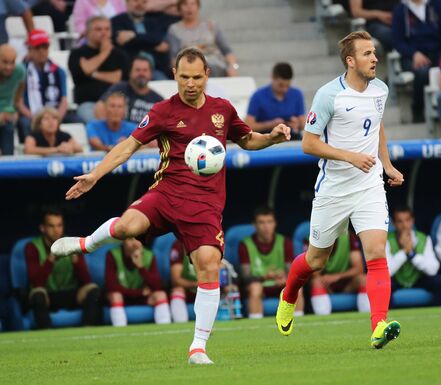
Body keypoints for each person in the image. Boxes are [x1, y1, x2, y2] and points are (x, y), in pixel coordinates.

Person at [51, 48, 291, 364]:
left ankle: (198, 348)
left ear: (207, 75)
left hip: (205, 204)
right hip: (166, 193)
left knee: (209, 263)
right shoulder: (164, 111)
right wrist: (96, 174)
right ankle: (85, 244)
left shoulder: (223, 110)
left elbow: (247, 140)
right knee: (126, 227)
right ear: (174, 74)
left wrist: (272, 138)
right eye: (183, 77)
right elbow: (128, 146)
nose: (190, 84)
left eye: (196, 77)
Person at [275, 31, 404, 350]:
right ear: (350, 60)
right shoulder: (329, 95)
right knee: (316, 260)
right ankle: (289, 294)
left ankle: (378, 326)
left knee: (376, 253)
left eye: (375, 53)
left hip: (369, 184)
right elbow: (307, 143)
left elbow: (377, 125)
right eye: (367, 54)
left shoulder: (381, 89)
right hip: (334, 189)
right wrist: (350, 156)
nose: (375, 58)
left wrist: (386, 166)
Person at [24, 207, 101, 329]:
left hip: (71, 293)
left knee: (93, 289)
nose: (56, 230)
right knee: (37, 294)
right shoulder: (32, 247)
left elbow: (86, 281)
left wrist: (76, 261)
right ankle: (46, 334)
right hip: (48, 295)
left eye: (59, 225)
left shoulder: (72, 243)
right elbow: (36, 283)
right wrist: (50, 260)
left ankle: (88, 329)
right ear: (42, 228)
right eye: (51, 226)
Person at [392, 0, 441, 122]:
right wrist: (414, 54)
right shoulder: (401, 9)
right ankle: (418, 109)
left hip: (438, 51)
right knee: (422, 72)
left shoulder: (437, 4)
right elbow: (397, 42)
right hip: (412, 55)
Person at [238, 206, 303, 319]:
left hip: (279, 284)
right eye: (261, 222)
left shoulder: (284, 242)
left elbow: (291, 272)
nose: (266, 227)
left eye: (269, 222)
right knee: (255, 288)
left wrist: (284, 278)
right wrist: (265, 277)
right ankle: (256, 326)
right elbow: (245, 277)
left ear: (275, 223)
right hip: (259, 285)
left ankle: (297, 324)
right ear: (254, 224)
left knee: (296, 287)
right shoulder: (245, 245)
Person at [18, 30, 82, 142]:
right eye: (38, 48)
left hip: (55, 113)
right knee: (24, 123)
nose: (42, 52)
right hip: (31, 115)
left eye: (45, 47)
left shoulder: (58, 71)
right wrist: (35, 118)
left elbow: (64, 100)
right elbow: (19, 102)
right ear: (30, 50)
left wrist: (56, 118)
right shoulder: (22, 71)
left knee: (79, 120)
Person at [68, 15, 129, 123]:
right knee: (97, 124)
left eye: (107, 29)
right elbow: (83, 71)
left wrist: (93, 73)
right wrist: (104, 53)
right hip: (88, 104)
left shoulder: (120, 55)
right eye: (98, 29)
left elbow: (118, 79)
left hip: (117, 105)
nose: (104, 33)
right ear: (87, 32)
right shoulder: (77, 53)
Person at [386, 206, 441, 306]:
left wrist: (412, 255)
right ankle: (387, 319)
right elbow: (387, 272)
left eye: (407, 220)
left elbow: (433, 270)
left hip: (418, 278)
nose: (404, 225)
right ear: (393, 223)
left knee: (439, 281)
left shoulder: (424, 238)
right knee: (384, 284)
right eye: (400, 221)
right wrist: (404, 251)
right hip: (396, 280)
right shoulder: (387, 240)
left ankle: (440, 316)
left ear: (412, 221)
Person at [105, 237, 170, 326]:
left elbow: (157, 285)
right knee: (115, 295)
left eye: (138, 239)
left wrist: (140, 267)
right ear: (123, 241)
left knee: (160, 295)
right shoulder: (112, 254)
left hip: (142, 297)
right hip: (124, 296)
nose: (135, 243)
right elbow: (111, 286)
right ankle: (120, 332)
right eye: (131, 239)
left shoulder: (149, 255)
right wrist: (140, 293)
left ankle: (164, 332)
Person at [167, 0, 238, 77]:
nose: (189, 7)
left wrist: (232, 67)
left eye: (193, 4)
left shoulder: (211, 25)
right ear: (180, 8)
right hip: (190, 68)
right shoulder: (174, 29)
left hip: (215, 66)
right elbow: (174, 58)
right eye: (185, 4)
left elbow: (227, 51)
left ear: (198, 6)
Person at [309, 230, 370, 315]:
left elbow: (359, 268)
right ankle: (323, 320)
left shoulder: (348, 237)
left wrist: (337, 276)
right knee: (316, 281)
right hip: (325, 284)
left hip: (347, 284)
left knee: (364, 279)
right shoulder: (315, 237)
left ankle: (367, 318)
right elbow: (314, 272)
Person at [111, 0, 172, 79]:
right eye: (136, 1)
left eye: (144, 2)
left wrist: (133, 35)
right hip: (129, 70)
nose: (140, 4)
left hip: (155, 69)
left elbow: (157, 38)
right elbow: (122, 43)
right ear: (127, 3)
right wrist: (151, 45)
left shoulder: (153, 21)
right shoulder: (117, 21)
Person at [95, 55, 163, 124]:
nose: (141, 73)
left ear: (151, 74)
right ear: (130, 72)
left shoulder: (158, 100)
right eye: (137, 70)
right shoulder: (119, 88)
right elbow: (100, 106)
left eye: (145, 70)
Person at [245, 63, 305, 139]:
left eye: (287, 86)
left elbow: (303, 123)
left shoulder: (297, 94)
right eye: (281, 85)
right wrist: (270, 124)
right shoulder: (258, 96)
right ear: (273, 78)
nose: (284, 89)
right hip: (264, 138)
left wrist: (298, 124)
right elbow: (248, 126)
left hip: (290, 136)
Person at [0, 44, 25, 155]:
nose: (9, 67)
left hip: (6, 113)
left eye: (12, 62)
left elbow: (20, 90)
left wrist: (14, 109)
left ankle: (7, 161)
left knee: (10, 124)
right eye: (5, 62)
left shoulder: (20, 71)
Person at [168, 239, 197, 323]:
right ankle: (181, 325)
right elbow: (176, 280)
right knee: (177, 291)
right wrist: (198, 284)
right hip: (188, 290)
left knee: (228, 289)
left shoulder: (210, 244)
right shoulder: (179, 245)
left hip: (207, 289)